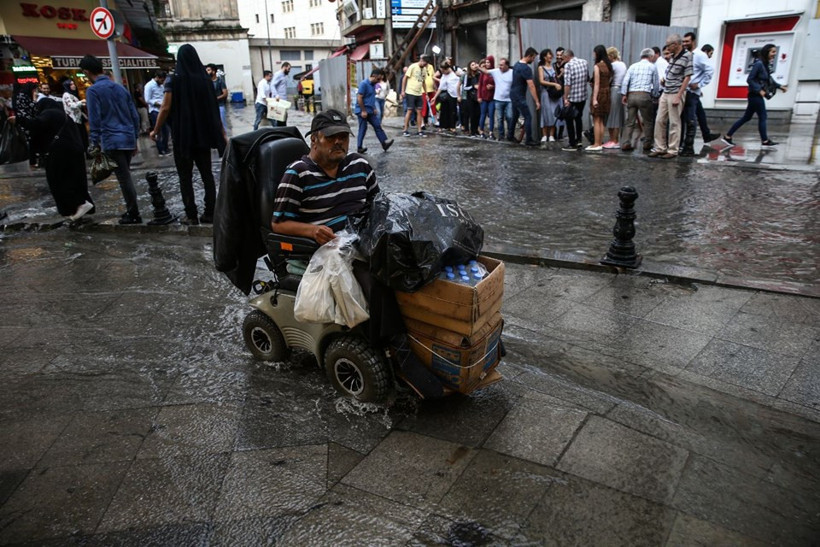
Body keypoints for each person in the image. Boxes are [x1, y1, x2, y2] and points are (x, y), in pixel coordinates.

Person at [271, 109, 445, 397]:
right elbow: (277, 223)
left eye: (344, 137)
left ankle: (433, 337)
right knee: (376, 277)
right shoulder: (297, 174)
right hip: (322, 252)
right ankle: (398, 350)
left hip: (360, 238)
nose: (339, 143)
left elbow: (379, 206)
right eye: (332, 138)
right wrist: (311, 231)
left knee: (416, 259)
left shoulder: (359, 165)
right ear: (315, 139)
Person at [150, 44, 225, 225]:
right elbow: (213, 109)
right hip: (203, 136)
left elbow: (165, 107)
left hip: (183, 137)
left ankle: (191, 215)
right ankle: (210, 212)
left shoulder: (174, 80)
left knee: (185, 178)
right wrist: (222, 134)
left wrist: (156, 130)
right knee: (207, 175)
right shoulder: (205, 80)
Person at [11, 90, 94, 221]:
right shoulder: (65, 115)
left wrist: (19, 120)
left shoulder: (48, 114)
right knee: (75, 179)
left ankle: (77, 206)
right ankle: (78, 207)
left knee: (59, 181)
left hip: (59, 154)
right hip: (75, 152)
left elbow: (36, 126)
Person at [80, 54, 143, 224]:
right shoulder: (120, 88)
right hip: (127, 138)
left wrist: (94, 142)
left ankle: (133, 212)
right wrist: (135, 138)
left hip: (112, 139)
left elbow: (95, 119)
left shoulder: (93, 91)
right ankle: (132, 210)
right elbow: (134, 116)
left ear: (86, 71)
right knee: (125, 175)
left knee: (124, 178)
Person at [722, 44, 787, 148]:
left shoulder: (765, 65)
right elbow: (750, 79)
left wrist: (780, 86)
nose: (775, 54)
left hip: (755, 95)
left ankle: (728, 136)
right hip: (755, 95)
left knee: (746, 117)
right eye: (773, 52)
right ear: (767, 52)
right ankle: (764, 140)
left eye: (775, 52)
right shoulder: (759, 64)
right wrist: (759, 90)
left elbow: (769, 80)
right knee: (763, 117)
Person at [648, 34, 692, 159]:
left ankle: (673, 150)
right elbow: (671, 74)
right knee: (659, 120)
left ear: (675, 45)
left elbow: (687, 77)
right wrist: (665, 81)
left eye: (668, 46)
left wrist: (679, 95)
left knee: (674, 122)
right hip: (666, 90)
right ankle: (660, 147)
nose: (667, 49)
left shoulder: (687, 56)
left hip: (676, 91)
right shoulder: (672, 57)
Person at [680, 32, 719, 156]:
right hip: (685, 91)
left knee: (690, 119)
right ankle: (706, 135)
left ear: (693, 41)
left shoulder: (700, 55)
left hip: (691, 92)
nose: (685, 43)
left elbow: (710, 70)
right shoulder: (686, 54)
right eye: (684, 41)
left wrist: (699, 84)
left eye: (687, 41)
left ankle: (688, 147)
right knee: (699, 114)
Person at [620, 48, 660, 153]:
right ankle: (647, 143)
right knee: (648, 121)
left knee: (630, 121)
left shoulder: (633, 66)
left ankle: (626, 143)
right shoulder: (652, 67)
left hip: (632, 95)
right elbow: (656, 84)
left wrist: (624, 94)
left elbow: (625, 81)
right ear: (651, 57)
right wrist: (655, 96)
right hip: (644, 95)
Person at [354, 68, 394, 154]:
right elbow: (359, 98)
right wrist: (363, 111)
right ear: (374, 76)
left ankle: (384, 143)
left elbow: (371, 98)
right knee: (363, 128)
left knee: (377, 125)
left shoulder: (373, 85)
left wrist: (374, 108)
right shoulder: (364, 84)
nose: (379, 81)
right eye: (378, 79)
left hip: (370, 110)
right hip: (362, 110)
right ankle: (359, 147)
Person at [509, 47, 540, 146]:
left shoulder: (516, 65)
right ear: (529, 56)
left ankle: (510, 136)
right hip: (519, 96)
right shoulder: (526, 68)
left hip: (513, 94)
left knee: (515, 116)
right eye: (533, 57)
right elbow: (531, 85)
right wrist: (537, 101)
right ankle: (529, 140)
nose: (533, 60)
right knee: (528, 117)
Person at [478, 57, 514, 141]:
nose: (500, 66)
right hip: (498, 99)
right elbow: (486, 71)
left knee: (509, 117)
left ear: (507, 65)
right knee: (499, 118)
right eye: (499, 65)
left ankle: (510, 135)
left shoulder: (512, 72)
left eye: (501, 65)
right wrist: (478, 66)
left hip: (509, 99)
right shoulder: (496, 71)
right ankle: (501, 136)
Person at [561, 49, 589, 151]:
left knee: (569, 119)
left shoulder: (568, 66)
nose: (563, 60)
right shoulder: (584, 62)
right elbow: (587, 78)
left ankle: (572, 143)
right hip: (582, 97)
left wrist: (565, 97)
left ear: (567, 57)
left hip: (573, 98)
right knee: (578, 118)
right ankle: (579, 141)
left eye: (563, 58)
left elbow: (567, 84)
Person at [587, 44, 613, 152]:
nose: (593, 55)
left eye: (594, 53)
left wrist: (594, 99)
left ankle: (596, 143)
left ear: (597, 53)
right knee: (601, 119)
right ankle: (599, 142)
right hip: (607, 93)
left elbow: (596, 84)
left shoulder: (597, 66)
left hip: (599, 94)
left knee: (596, 119)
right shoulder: (608, 65)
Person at [537, 49, 562, 144]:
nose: (551, 56)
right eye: (549, 55)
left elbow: (555, 78)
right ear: (544, 57)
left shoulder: (553, 67)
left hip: (554, 94)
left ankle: (551, 135)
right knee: (545, 113)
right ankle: (544, 134)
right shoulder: (541, 68)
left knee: (554, 113)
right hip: (546, 92)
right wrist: (554, 85)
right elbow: (541, 81)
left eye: (551, 55)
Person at [401, 55, 430, 137]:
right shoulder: (413, 66)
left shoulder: (424, 69)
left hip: (419, 92)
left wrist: (426, 93)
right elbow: (405, 78)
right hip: (410, 92)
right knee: (409, 110)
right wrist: (403, 91)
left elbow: (423, 82)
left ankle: (419, 130)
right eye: (424, 62)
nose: (425, 64)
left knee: (419, 111)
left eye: (426, 63)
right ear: (421, 60)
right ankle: (405, 129)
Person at [604, 47, 627, 149]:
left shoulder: (612, 65)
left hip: (613, 89)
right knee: (617, 115)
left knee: (611, 115)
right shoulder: (622, 64)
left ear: (611, 56)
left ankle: (613, 140)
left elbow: (608, 78)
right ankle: (615, 140)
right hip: (621, 90)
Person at [144, 71, 170, 156]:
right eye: (162, 80)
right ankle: (161, 149)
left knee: (166, 131)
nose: (162, 82)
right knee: (159, 131)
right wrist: (158, 103)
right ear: (157, 78)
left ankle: (165, 147)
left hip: (162, 110)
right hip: (155, 110)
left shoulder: (161, 86)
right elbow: (147, 99)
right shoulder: (149, 86)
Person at [431, 61, 460, 133]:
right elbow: (440, 87)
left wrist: (459, 95)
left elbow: (458, 85)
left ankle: (452, 126)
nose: (443, 72)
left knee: (453, 111)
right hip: (446, 94)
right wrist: (435, 97)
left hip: (454, 95)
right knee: (443, 110)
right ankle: (442, 126)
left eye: (443, 71)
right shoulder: (444, 75)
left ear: (447, 69)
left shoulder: (454, 74)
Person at [61, 79, 88, 153]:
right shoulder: (66, 94)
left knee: (83, 137)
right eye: (71, 84)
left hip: (78, 119)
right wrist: (81, 102)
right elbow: (71, 105)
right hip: (74, 120)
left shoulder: (73, 94)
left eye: (73, 84)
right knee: (79, 137)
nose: (73, 85)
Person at [460, 60, 481, 136]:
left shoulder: (479, 75)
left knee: (478, 114)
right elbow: (465, 87)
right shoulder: (467, 75)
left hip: (478, 97)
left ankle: (476, 129)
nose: (474, 66)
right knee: (472, 114)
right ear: (470, 67)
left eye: (475, 64)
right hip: (470, 97)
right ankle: (472, 131)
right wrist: (473, 86)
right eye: (472, 65)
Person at [477, 56, 496, 139]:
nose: (487, 64)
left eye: (488, 62)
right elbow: (480, 85)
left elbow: (498, 83)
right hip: (484, 97)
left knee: (491, 115)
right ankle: (481, 131)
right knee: (483, 114)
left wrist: (493, 87)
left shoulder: (495, 72)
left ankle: (491, 132)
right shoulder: (483, 73)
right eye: (486, 62)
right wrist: (479, 96)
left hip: (492, 97)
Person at [206, 63, 228, 130]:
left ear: (213, 71)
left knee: (222, 124)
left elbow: (225, 93)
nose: (207, 72)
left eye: (208, 70)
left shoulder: (220, 81)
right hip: (210, 107)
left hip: (220, 106)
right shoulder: (207, 82)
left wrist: (215, 98)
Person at [270, 62, 291, 127]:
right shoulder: (278, 74)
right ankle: (279, 132)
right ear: (284, 67)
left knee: (284, 117)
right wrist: (276, 95)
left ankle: (282, 131)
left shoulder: (283, 75)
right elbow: (272, 85)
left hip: (283, 101)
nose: (289, 70)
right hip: (279, 100)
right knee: (280, 118)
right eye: (288, 68)